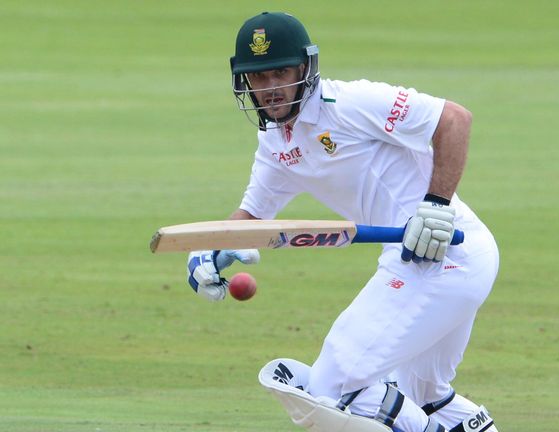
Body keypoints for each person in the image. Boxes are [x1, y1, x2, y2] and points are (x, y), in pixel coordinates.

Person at [186, 12, 500, 432]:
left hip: (444, 255)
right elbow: (252, 218)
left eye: (280, 73)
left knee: (333, 383)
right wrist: (206, 249)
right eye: (257, 78)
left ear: (306, 69)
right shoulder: (276, 145)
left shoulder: (350, 103)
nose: (270, 89)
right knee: (426, 394)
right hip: (430, 261)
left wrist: (437, 204)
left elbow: (454, 119)